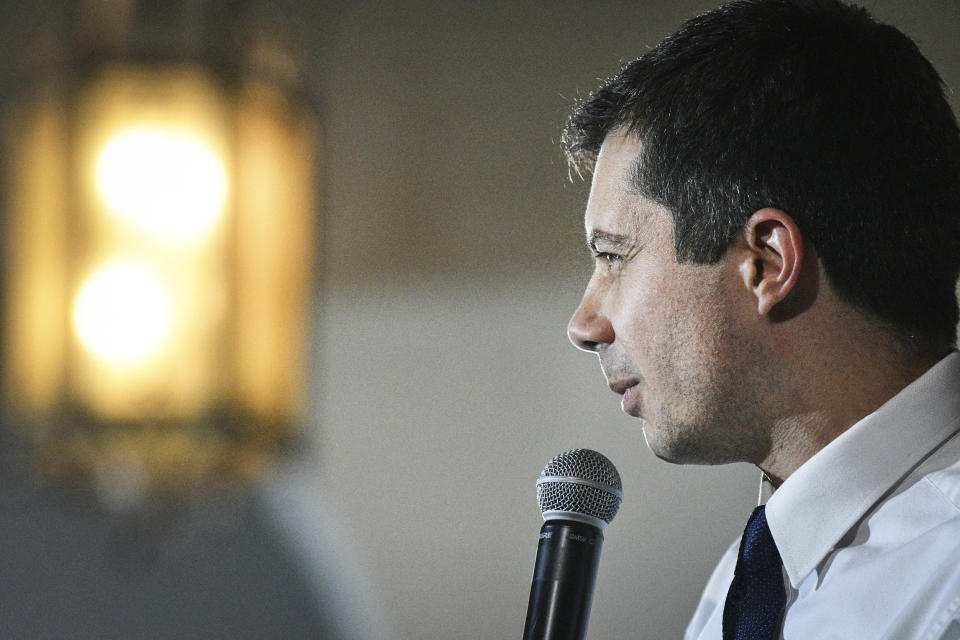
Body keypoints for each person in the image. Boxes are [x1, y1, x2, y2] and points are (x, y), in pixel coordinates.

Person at [562, 0, 960, 638]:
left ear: (767, 263)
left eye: (614, 257)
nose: (584, 324)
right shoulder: (753, 578)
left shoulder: (945, 581)